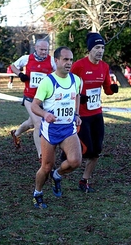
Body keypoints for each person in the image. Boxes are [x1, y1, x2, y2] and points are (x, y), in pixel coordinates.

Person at [30, 46, 82, 208]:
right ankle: (37, 193)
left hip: (68, 128)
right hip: (50, 130)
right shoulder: (48, 81)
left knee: (75, 161)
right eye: (65, 59)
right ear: (56, 61)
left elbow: (77, 96)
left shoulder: (76, 80)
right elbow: (34, 106)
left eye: (71, 60)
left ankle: (57, 175)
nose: (69, 63)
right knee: (46, 167)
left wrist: (77, 114)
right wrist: (45, 114)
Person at [70, 32, 119, 193]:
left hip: (96, 113)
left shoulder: (104, 67)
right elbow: (68, 86)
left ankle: (84, 180)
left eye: (102, 48)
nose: (100, 51)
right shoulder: (78, 65)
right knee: (86, 150)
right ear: (90, 49)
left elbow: (106, 89)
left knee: (96, 150)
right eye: (97, 47)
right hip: (81, 115)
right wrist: (79, 97)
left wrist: (113, 89)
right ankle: (65, 158)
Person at [9, 39, 56, 159]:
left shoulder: (51, 60)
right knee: (38, 123)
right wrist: (20, 74)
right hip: (30, 98)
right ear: (35, 48)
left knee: (30, 123)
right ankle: (41, 156)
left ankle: (16, 133)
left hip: (44, 99)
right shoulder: (27, 58)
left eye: (46, 50)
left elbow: (59, 73)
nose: (44, 52)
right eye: (41, 49)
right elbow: (12, 66)